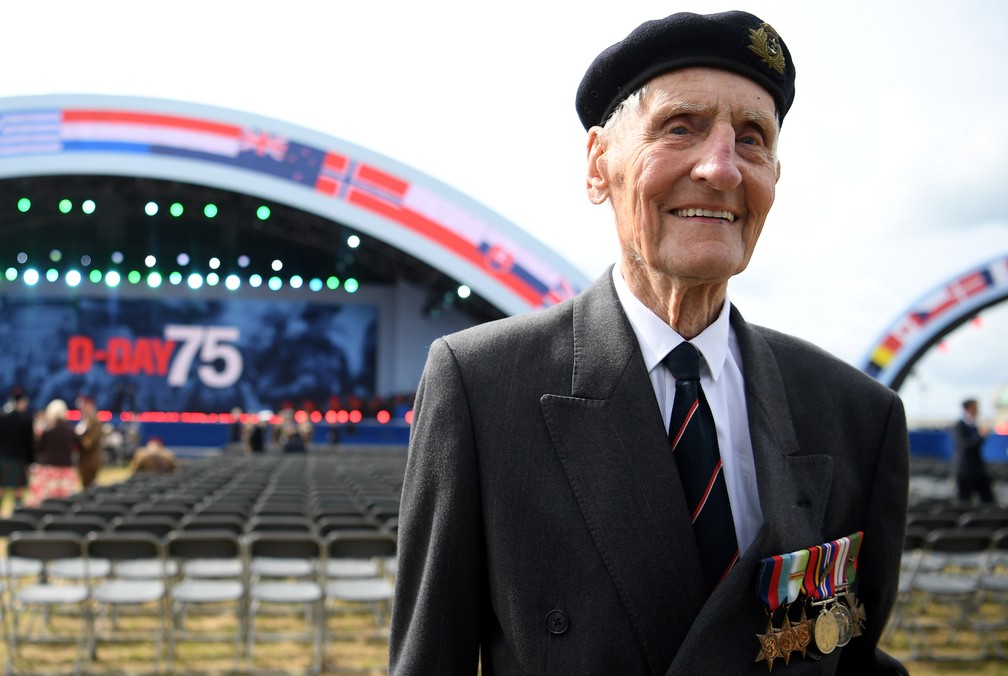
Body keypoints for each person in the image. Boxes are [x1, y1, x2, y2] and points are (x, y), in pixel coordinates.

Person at [389, 10, 909, 675]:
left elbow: (851, 656)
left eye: (752, 138)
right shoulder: (483, 388)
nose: (722, 169)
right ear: (599, 164)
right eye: (681, 127)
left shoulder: (856, 416)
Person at [26, 399, 80, 506]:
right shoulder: (70, 431)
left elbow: (38, 448)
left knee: (44, 502)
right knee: (65, 502)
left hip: (48, 469)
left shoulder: (47, 431)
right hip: (66, 469)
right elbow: (78, 446)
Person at [951, 398, 993, 504]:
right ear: (968, 408)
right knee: (963, 502)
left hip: (978, 470)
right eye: (975, 407)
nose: (978, 410)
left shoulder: (975, 426)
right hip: (965, 471)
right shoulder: (959, 426)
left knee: (989, 501)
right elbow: (966, 445)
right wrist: (980, 436)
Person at [0, 389, 35, 509]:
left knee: (1, 487)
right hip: (19, 458)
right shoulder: (26, 420)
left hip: (3, 457)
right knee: (18, 489)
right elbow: (29, 443)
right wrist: (31, 462)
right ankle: (17, 512)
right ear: (21, 402)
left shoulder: (2, 418)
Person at [75, 395, 103, 488]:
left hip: (91, 460)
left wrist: (78, 440)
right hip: (84, 459)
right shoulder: (84, 421)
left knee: (89, 485)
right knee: (85, 484)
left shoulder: (94, 422)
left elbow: (89, 442)